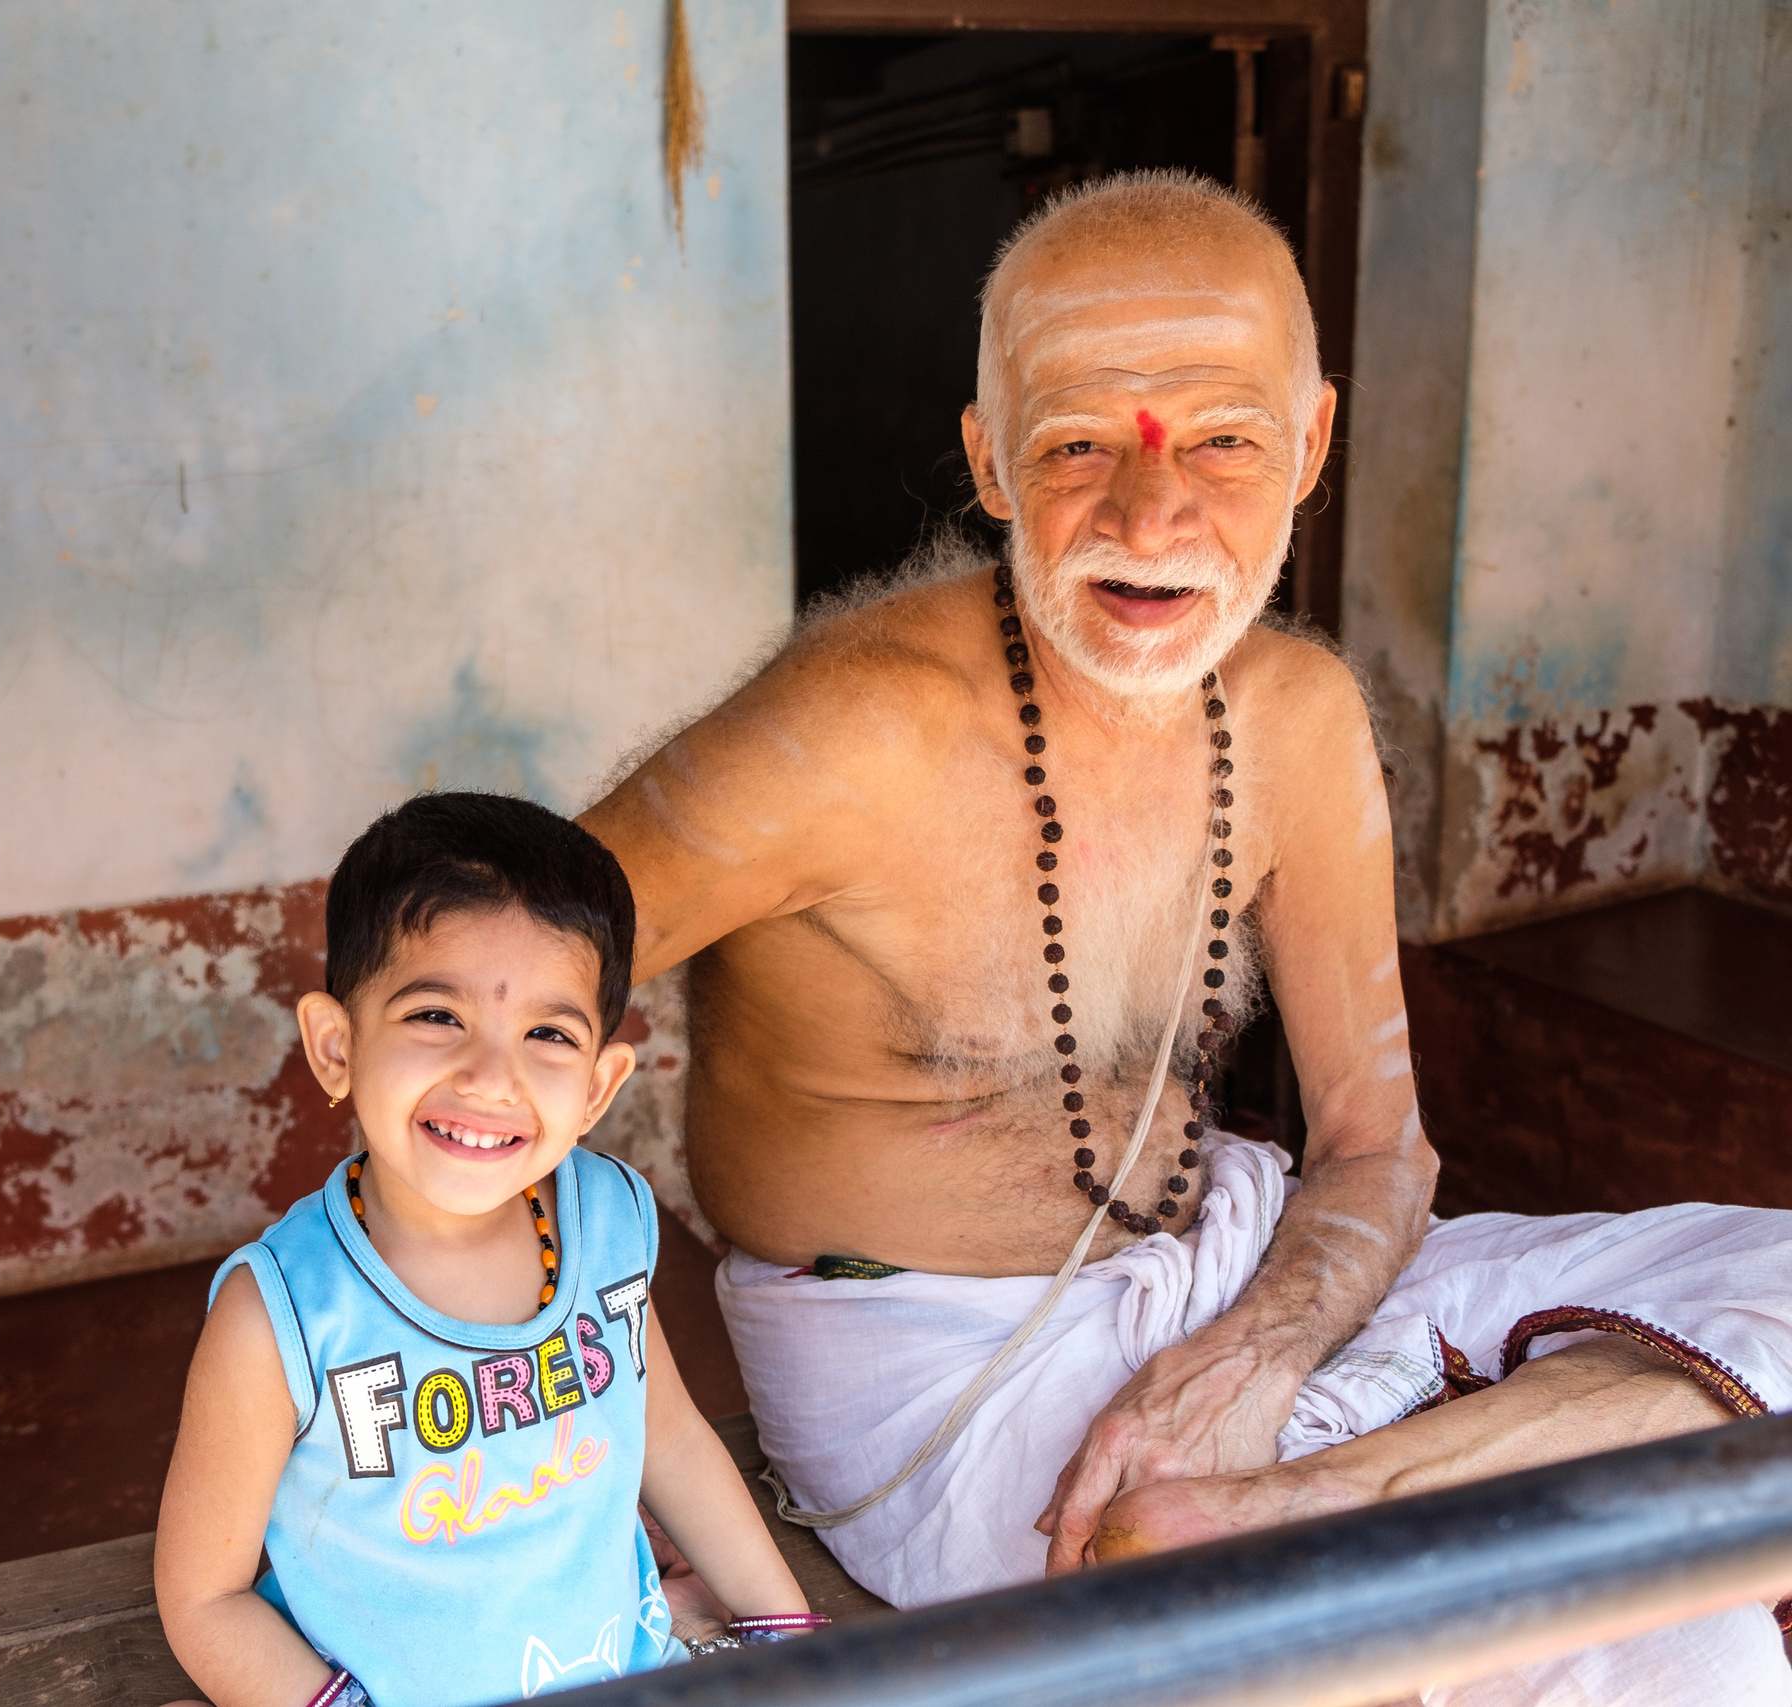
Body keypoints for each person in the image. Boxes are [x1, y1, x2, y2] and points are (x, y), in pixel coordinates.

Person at [577, 170, 1792, 1702]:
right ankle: (1281, 1512)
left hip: (1236, 1271)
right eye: (1078, 444)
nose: (1152, 515)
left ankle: (1305, 1494)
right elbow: (478, 990)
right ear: (991, 462)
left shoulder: (1297, 714)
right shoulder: (854, 724)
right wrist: (581, 1392)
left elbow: (1376, 1143)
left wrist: (1249, 1354)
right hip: (951, 1389)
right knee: (1651, 1626)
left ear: (1312, 444)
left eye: (1222, 439)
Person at [153, 793, 818, 1707]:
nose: (492, 1078)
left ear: (598, 1088)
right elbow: (205, 1597)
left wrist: (789, 1638)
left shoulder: (609, 1221)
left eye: (548, 1034)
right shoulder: (283, 1314)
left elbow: (666, 1435)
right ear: (336, 1045)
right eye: (437, 1015)